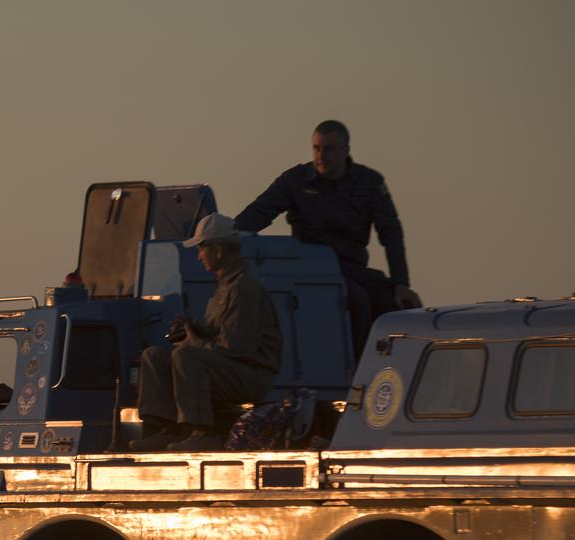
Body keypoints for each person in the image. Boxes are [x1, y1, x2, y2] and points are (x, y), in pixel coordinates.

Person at [234, 120, 421, 355]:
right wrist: (226, 237)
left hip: (353, 266)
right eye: (316, 148)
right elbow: (259, 213)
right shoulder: (295, 180)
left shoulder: (369, 182)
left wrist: (401, 282)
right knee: (355, 300)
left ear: (345, 150)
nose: (321, 155)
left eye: (329, 149)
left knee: (402, 306)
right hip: (313, 268)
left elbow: (390, 232)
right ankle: (356, 373)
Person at [130, 213, 282, 452]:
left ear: (218, 250)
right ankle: (168, 429)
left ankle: (204, 433)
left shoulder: (244, 289)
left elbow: (237, 349)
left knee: (185, 356)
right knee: (154, 355)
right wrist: (193, 328)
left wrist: (194, 343)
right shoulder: (224, 288)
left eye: (202, 248)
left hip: (251, 376)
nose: (199, 255)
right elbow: (218, 333)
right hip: (229, 367)